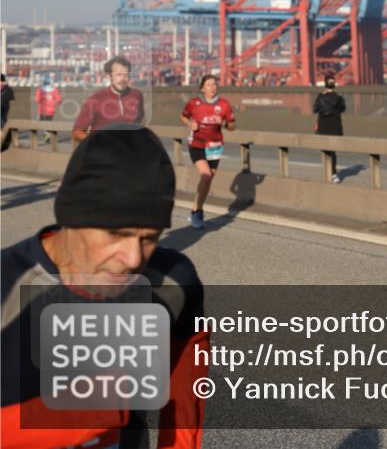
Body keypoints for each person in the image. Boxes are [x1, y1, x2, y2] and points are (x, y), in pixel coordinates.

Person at [1, 127, 208, 448]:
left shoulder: (172, 282)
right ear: (71, 218)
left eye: (149, 237)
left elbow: (185, 395)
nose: (132, 258)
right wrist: (74, 414)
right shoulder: (7, 285)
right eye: (116, 235)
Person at [181, 75, 235, 229]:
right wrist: (190, 123)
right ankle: (198, 212)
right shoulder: (194, 104)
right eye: (209, 84)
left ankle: (194, 209)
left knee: (208, 179)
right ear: (202, 88)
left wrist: (223, 123)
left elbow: (233, 126)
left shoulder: (224, 105)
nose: (212, 87)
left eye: (214, 84)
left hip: (215, 146)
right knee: (206, 175)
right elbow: (183, 117)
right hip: (197, 144)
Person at [72, 56, 145, 142]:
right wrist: (97, 144)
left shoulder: (136, 95)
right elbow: (77, 132)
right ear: (108, 76)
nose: (123, 79)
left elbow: (140, 119)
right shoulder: (95, 100)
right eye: (119, 75)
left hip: (130, 152)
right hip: (103, 153)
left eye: (126, 75)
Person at [312, 73, 346, 183]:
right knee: (333, 151)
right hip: (335, 126)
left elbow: (315, 110)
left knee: (325, 150)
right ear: (334, 84)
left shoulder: (320, 97)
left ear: (325, 84)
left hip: (323, 126)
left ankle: (329, 172)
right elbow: (343, 109)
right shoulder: (339, 98)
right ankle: (334, 173)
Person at [34, 76, 62, 143]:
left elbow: (37, 100)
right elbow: (59, 99)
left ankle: (47, 134)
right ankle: (49, 134)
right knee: (48, 122)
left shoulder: (40, 90)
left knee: (43, 123)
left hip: (42, 110)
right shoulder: (55, 90)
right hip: (51, 110)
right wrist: (54, 102)